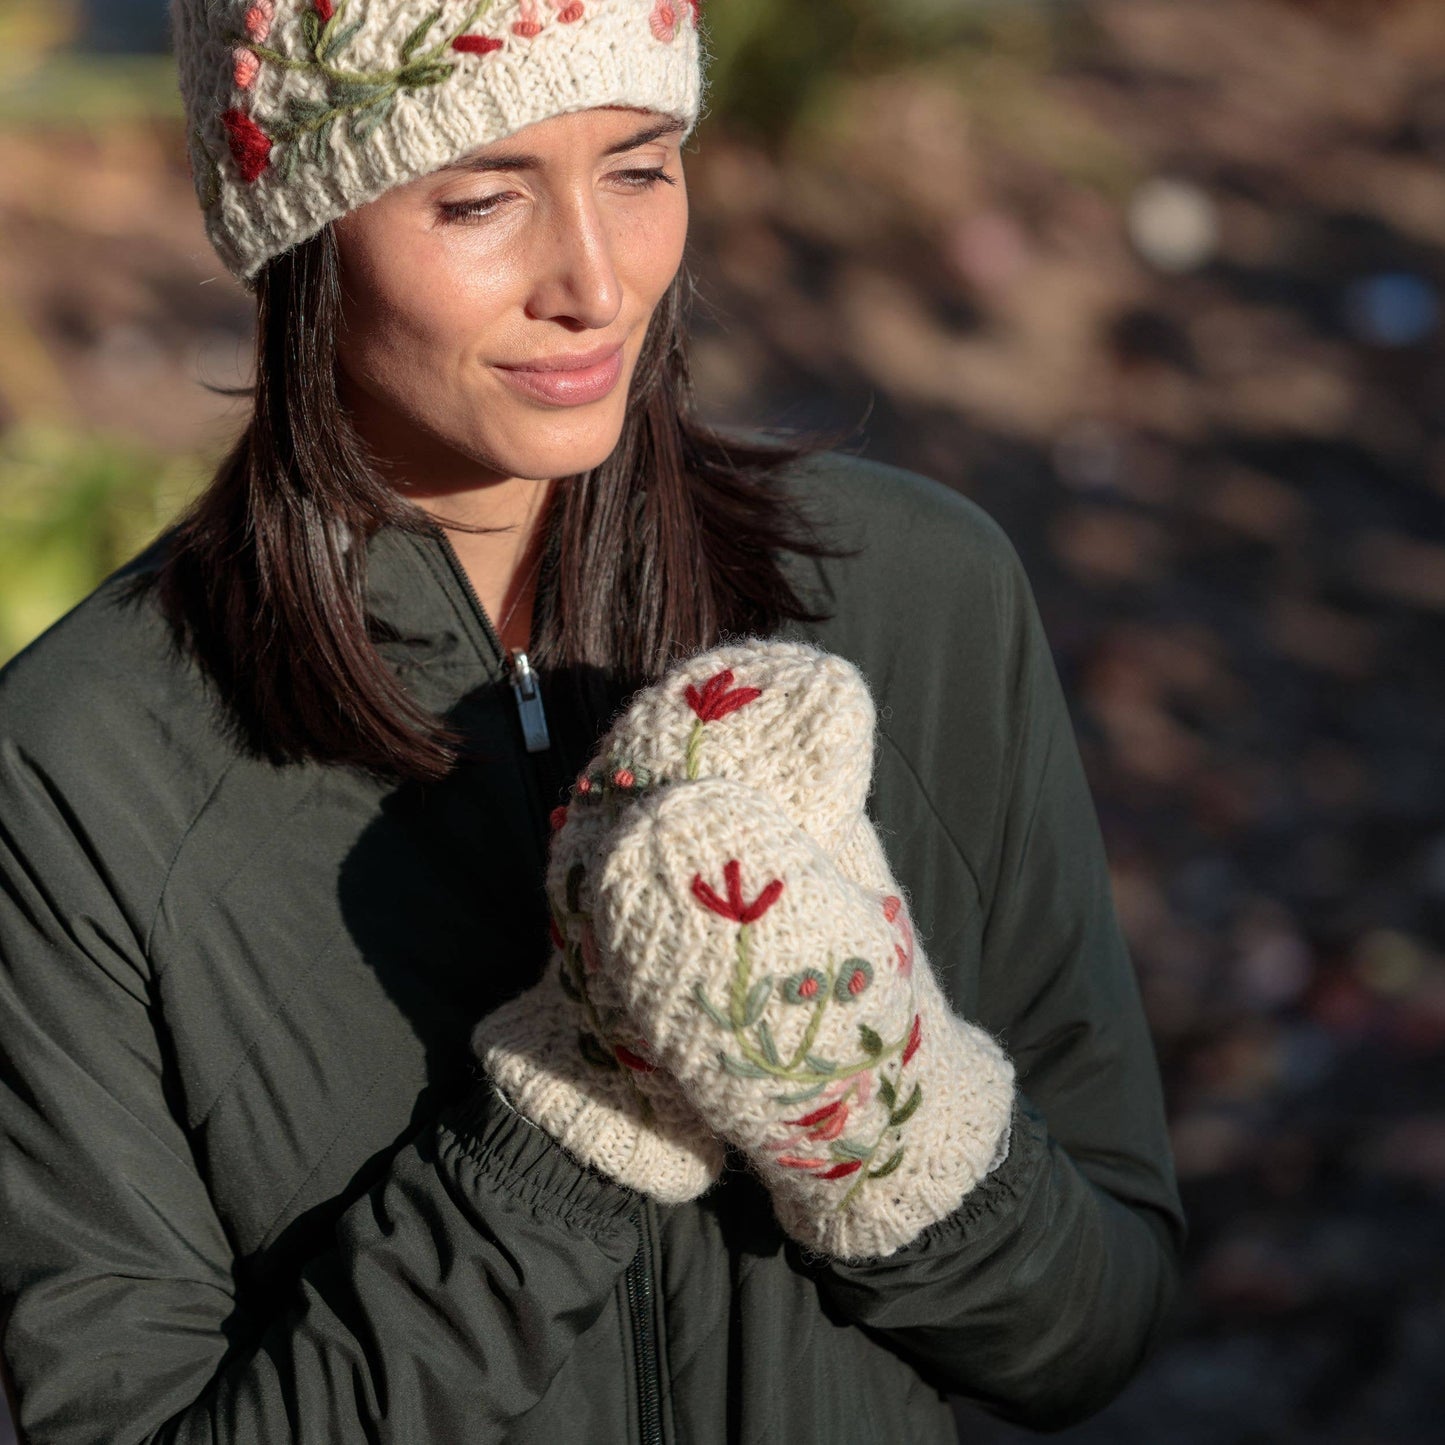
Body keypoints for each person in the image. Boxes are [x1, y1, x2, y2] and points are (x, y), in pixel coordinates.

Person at [0, 1, 1186, 1440]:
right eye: (480, 195)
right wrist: (564, 1129)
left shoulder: (917, 599)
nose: (594, 280)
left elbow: (1094, 1326)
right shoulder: (85, 765)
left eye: (638, 165)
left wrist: (873, 1115)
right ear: (296, 223)